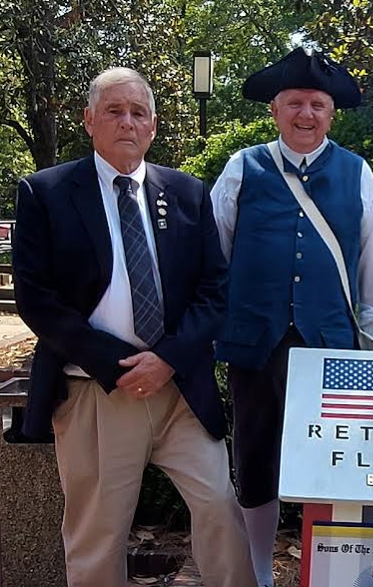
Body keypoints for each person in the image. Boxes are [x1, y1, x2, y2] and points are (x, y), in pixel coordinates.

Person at [13, 67, 255, 587]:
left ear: (153, 126)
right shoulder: (46, 193)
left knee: (219, 505)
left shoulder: (188, 193)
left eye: (138, 113)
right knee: (99, 533)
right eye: (114, 111)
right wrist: (114, 364)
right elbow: (38, 300)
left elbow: (215, 290)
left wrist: (167, 358)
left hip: (178, 390)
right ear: (89, 120)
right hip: (96, 390)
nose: (127, 122)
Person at [211, 47, 373, 587]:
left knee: (337, 458)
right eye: (295, 102)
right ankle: (259, 570)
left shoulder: (356, 172)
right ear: (275, 108)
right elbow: (215, 256)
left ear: (331, 112)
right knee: (255, 455)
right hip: (255, 341)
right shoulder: (242, 167)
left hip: (333, 345)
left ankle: (336, 570)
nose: (306, 114)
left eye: (317, 104)